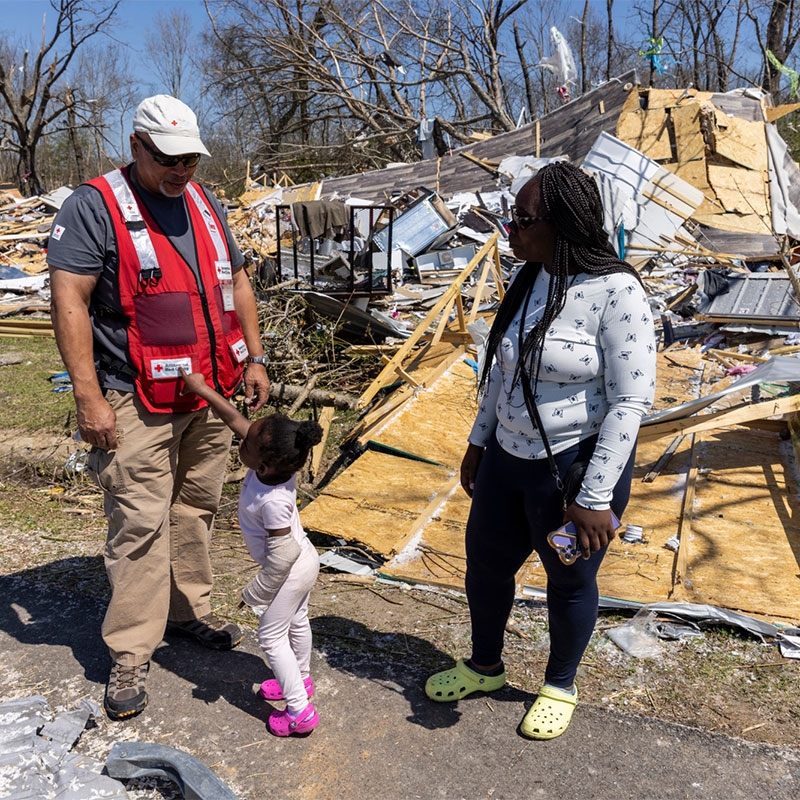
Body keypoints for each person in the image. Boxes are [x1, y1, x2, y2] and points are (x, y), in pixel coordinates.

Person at [47, 95, 271, 721]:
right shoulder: (94, 207)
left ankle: (187, 611)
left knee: (195, 505)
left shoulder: (205, 201)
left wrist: (254, 357)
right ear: (136, 146)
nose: (181, 171)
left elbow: (238, 282)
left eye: (191, 159)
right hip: (132, 394)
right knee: (140, 521)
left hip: (208, 392)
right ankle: (130, 652)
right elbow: (69, 302)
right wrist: (89, 399)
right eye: (168, 159)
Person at [424, 161, 656, 739]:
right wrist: (478, 444)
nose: (511, 228)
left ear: (564, 224)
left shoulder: (617, 292)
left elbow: (630, 403)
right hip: (507, 460)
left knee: (569, 580)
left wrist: (595, 495)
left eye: (523, 219)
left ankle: (559, 683)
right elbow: (502, 373)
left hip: (572, 470)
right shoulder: (533, 277)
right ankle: (484, 666)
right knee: (485, 565)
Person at [180, 370, 322, 737]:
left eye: (246, 444)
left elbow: (282, 554)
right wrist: (202, 389)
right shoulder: (276, 460)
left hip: (289, 567)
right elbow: (233, 418)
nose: (241, 438)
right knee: (297, 621)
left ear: (262, 464)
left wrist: (255, 593)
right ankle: (301, 680)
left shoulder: (274, 501)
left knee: (271, 638)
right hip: (304, 562)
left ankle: (299, 712)